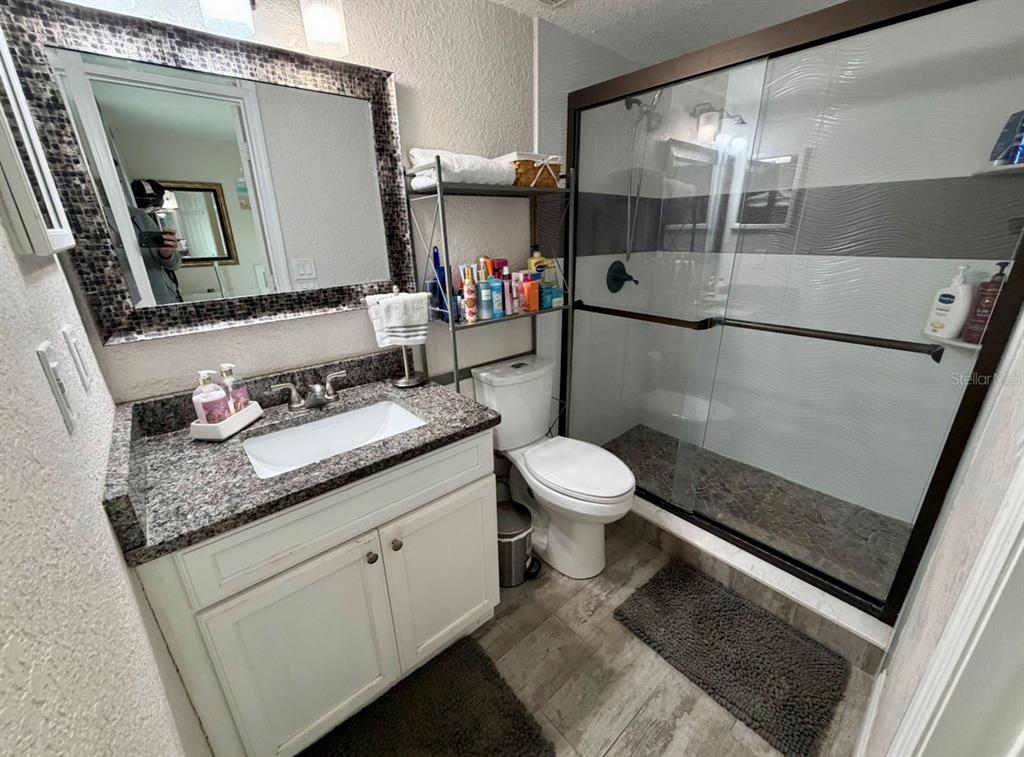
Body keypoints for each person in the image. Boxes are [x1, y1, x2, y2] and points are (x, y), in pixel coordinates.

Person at [130, 179, 183, 305]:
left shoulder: (151, 221)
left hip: (166, 292)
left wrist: (167, 255)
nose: (151, 208)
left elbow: (174, 265)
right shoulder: (127, 220)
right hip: (145, 296)